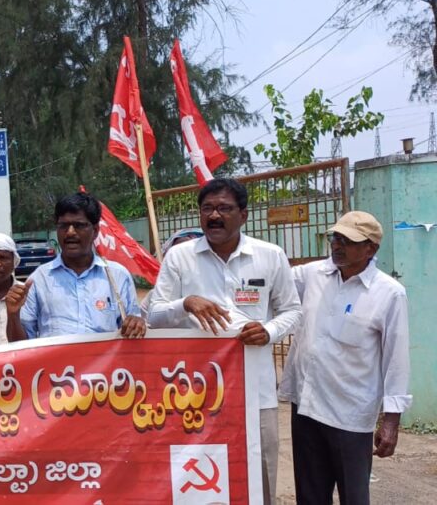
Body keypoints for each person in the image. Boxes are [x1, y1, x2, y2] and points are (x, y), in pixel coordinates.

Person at [146, 178, 302, 505]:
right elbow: (154, 315)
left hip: (255, 390)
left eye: (224, 209)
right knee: (195, 479)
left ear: (243, 215)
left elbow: (292, 311)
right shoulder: (179, 258)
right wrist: (186, 303)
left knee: (259, 474)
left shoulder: (270, 256)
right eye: (207, 209)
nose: (214, 216)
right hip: (194, 394)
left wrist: (269, 332)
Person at [279, 211, 412, 504]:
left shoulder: (389, 293)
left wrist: (391, 421)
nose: (337, 245)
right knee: (310, 495)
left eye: (348, 241)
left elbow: (396, 360)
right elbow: (273, 280)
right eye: (335, 238)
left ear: (370, 249)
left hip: (349, 413)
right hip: (307, 405)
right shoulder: (313, 274)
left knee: (353, 495)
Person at [7, 191, 146, 342]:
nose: (70, 232)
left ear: (95, 231)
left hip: (106, 359)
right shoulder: (39, 279)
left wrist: (136, 324)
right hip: (56, 359)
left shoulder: (117, 276)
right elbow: (20, 345)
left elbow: (132, 330)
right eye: (63, 226)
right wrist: (13, 314)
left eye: (79, 225)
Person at [138, 227, 203, 316]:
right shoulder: (154, 297)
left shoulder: (213, 290)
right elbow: (147, 318)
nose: (183, 260)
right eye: (178, 256)